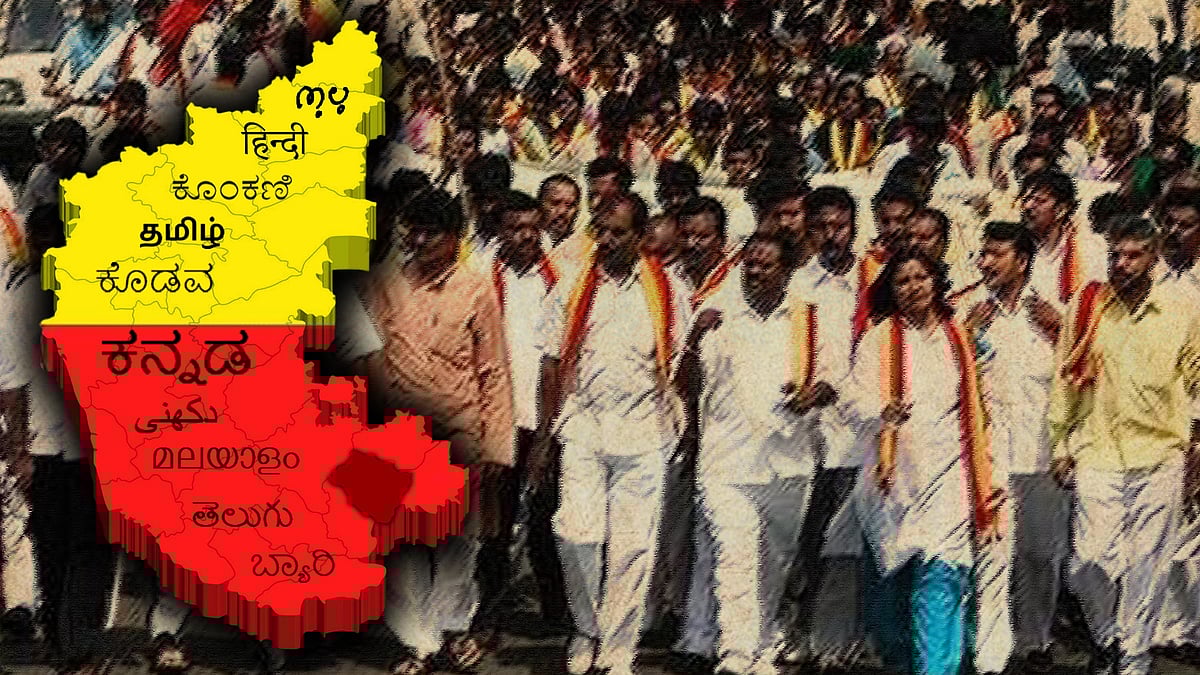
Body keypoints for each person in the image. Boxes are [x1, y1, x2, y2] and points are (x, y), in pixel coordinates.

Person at [358, 188, 516, 675]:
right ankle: (418, 643)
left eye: (431, 233)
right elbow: (367, 356)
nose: (420, 241)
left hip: (461, 432)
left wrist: (497, 447)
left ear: (456, 237)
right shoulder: (387, 283)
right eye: (414, 232)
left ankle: (448, 629)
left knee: (458, 544)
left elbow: (493, 370)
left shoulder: (476, 289)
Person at [533, 193, 690, 675]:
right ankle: (587, 628)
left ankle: (618, 648)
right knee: (576, 533)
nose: (606, 240)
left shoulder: (668, 290)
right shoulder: (572, 285)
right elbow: (550, 363)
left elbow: (681, 362)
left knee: (632, 546)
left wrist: (682, 429)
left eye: (618, 232)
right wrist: (543, 439)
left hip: (644, 432)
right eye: (600, 230)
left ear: (640, 237)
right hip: (584, 427)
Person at [1048, 217, 1200, 675]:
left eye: (1134, 255)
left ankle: (1133, 657)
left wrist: (1196, 441)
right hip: (1097, 450)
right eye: (1116, 254)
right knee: (1088, 561)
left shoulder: (1183, 308)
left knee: (1147, 565)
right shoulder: (1088, 305)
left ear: (1153, 258)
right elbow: (1064, 379)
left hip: (1161, 452)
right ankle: (1107, 636)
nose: (1122, 264)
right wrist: (1059, 444)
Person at [845, 247, 1005, 675]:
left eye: (921, 278)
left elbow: (987, 403)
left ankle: (938, 668)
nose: (913, 287)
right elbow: (852, 399)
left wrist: (992, 472)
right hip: (892, 477)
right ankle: (906, 660)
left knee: (943, 574)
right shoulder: (879, 338)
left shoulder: (962, 338)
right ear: (891, 290)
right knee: (890, 594)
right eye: (902, 281)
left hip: (951, 474)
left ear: (937, 282)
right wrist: (881, 411)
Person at [692, 231, 836, 675]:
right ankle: (735, 650)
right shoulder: (718, 316)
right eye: (749, 263)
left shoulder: (810, 320)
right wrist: (693, 338)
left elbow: (834, 381)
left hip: (789, 462)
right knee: (734, 552)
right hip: (726, 460)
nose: (754, 271)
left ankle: (762, 644)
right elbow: (686, 383)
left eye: (765, 264)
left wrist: (811, 396)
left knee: (775, 559)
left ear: (787, 270)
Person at [956, 221, 1061, 673]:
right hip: (990, 454)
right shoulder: (969, 310)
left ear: (1022, 261)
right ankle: (990, 652)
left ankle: (1035, 639)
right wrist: (966, 334)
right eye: (983, 253)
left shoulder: (1052, 311)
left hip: (1041, 452)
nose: (985, 262)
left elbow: (1081, 373)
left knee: (1041, 553)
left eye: (996, 254)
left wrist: (1061, 331)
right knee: (992, 553)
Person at [474, 190, 567, 641]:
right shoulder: (480, 276)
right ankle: (487, 611)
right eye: (516, 228)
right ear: (500, 231)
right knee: (495, 522)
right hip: (496, 415)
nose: (526, 236)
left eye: (533, 228)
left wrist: (552, 427)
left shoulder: (560, 279)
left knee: (547, 519)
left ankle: (556, 614)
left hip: (542, 415)